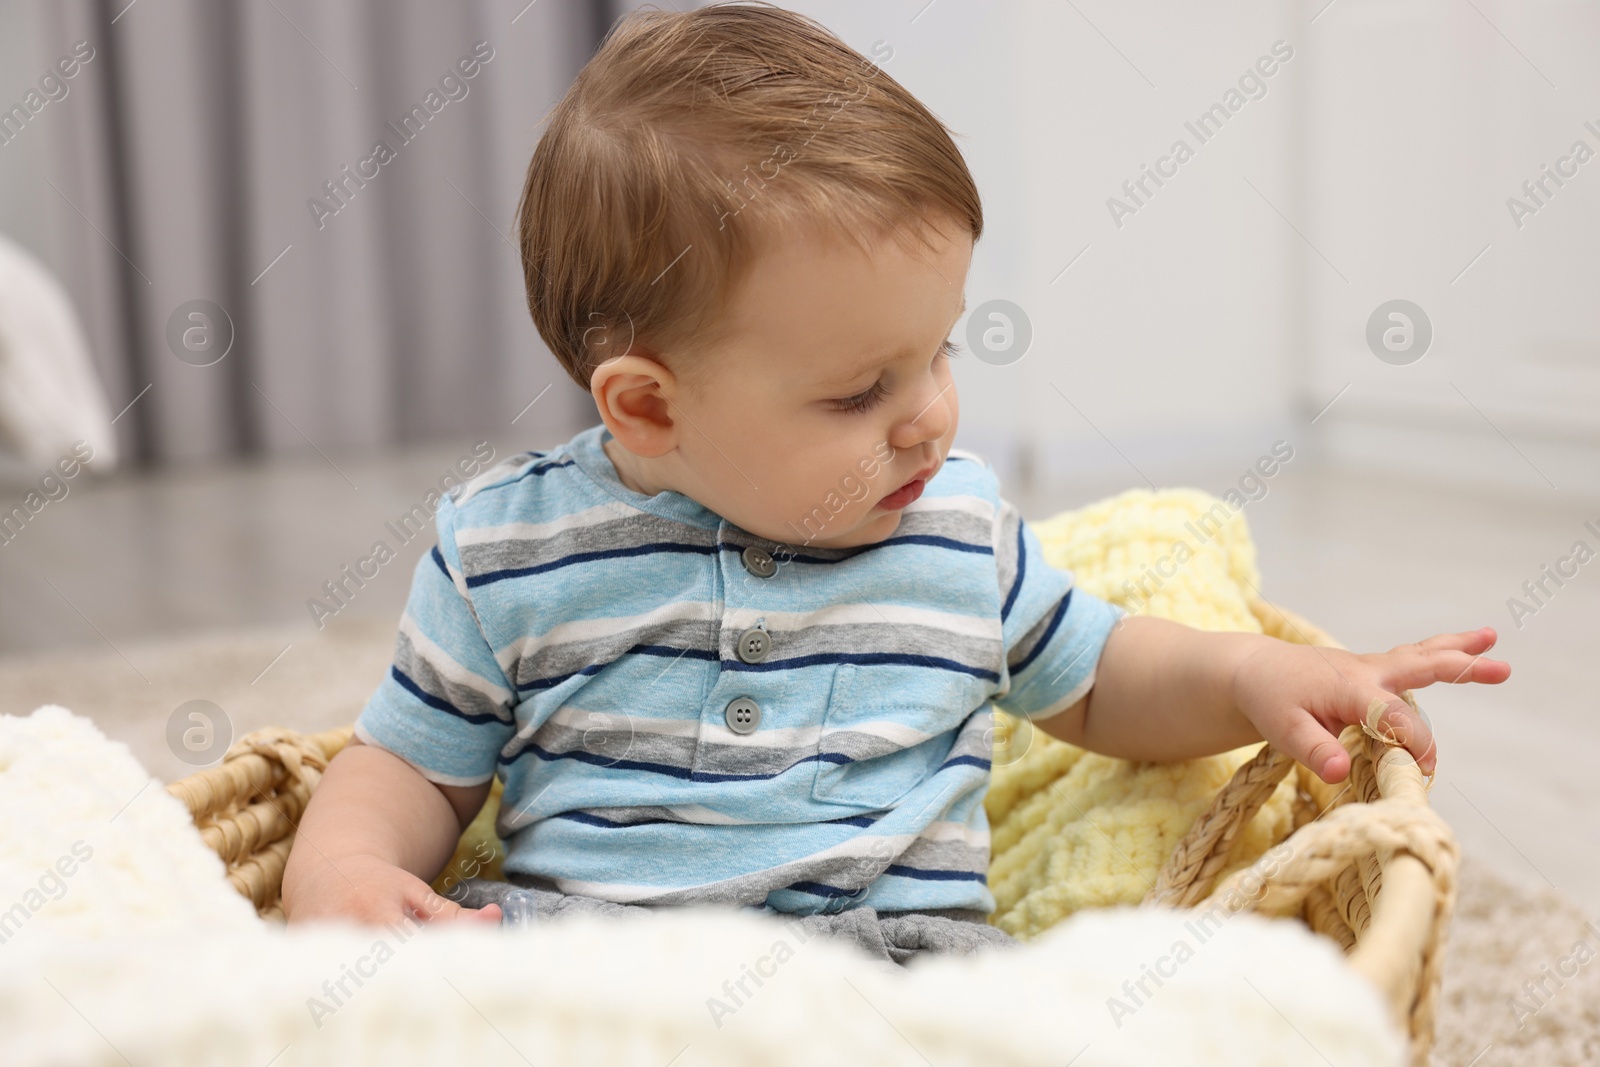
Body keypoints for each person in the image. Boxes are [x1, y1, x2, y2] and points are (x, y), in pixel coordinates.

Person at [281, 2, 1509, 963]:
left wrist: (1256, 674)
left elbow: (1108, 680)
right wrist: (340, 873)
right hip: (592, 962)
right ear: (649, 408)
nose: (929, 416)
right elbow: (409, 765)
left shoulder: (959, 532)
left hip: (898, 969)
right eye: (859, 390)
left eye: (942, 351)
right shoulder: (505, 550)